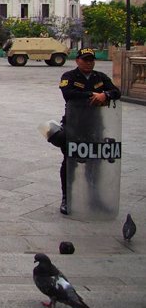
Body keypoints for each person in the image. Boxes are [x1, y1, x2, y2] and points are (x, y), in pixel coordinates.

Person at [46, 47, 121, 215]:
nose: (89, 63)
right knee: (70, 162)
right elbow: (69, 94)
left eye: (91, 60)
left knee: (94, 164)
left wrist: (106, 95)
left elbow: (117, 92)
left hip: (95, 126)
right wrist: (94, 95)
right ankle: (67, 198)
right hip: (74, 125)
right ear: (77, 60)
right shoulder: (69, 76)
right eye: (85, 59)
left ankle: (94, 198)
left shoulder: (100, 77)